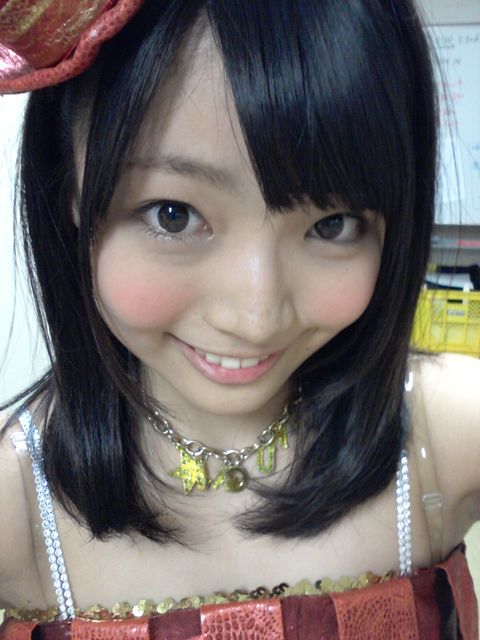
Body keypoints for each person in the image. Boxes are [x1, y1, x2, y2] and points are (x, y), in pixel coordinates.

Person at [0, 1, 479, 638]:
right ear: (71, 192)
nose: (256, 316)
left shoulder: (444, 434)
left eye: (331, 225)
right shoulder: (14, 508)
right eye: (173, 215)